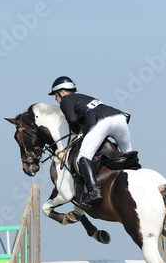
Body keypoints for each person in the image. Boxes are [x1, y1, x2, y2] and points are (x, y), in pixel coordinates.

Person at [48, 76, 132, 207]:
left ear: (63, 92)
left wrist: (77, 131)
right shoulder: (84, 97)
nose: (55, 99)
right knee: (127, 153)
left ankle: (94, 191)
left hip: (102, 121)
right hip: (119, 118)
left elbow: (72, 119)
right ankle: (136, 174)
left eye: (55, 95)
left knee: (83, 156)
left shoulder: (66, 101)